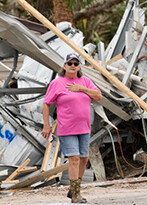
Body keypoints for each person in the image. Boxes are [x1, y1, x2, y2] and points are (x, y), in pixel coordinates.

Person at [41, 53, 102, 203]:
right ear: (64, 66)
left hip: (84, 127)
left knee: (83, 159)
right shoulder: (57, 83)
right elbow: (46, 103)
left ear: (79, 66)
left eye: (76, 64)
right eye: (70, 64)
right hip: (67, 128)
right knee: (74, 158)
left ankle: (73, 189)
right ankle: (76, 194)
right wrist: (47, 125)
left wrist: (81, 88)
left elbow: (99, 96)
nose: (73, 66)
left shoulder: (85, 81)